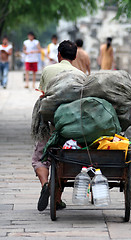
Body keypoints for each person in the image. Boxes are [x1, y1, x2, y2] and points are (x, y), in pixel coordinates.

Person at [32, 40, 83, 211]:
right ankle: (57, 199)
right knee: (65, 160)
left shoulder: (48, 70)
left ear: (58, 55)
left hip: (48, 124)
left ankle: (45, 184)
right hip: (70, 126)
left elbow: (43, 95)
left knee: (40, 158)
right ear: (75, 57)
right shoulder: (80, 75)